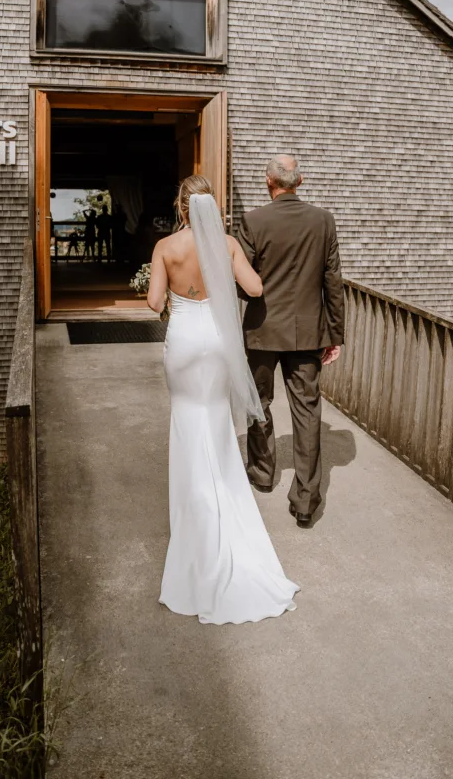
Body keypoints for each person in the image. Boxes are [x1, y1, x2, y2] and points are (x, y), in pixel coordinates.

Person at [147, 174, 300, 625]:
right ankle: (224, 501)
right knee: (215, 422)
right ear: (211, 207)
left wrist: (164, 290)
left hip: (183, 342)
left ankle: (194, 517)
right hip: (216, 340)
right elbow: (254, 289)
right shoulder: (228, 245)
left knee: (186, 421)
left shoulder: (165, 248)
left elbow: (156, 303)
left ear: (181, 206)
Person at [237, 155, 345, 529]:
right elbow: (333, 280)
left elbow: (242, 280)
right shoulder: (323, 220)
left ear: (269, 181)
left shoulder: (252, 221)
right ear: (300, 181)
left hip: (262, 330)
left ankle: (263, 474)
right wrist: (336, 334)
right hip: (308, 332)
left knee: (258, 403)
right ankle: (305, 501)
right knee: (307, 411)